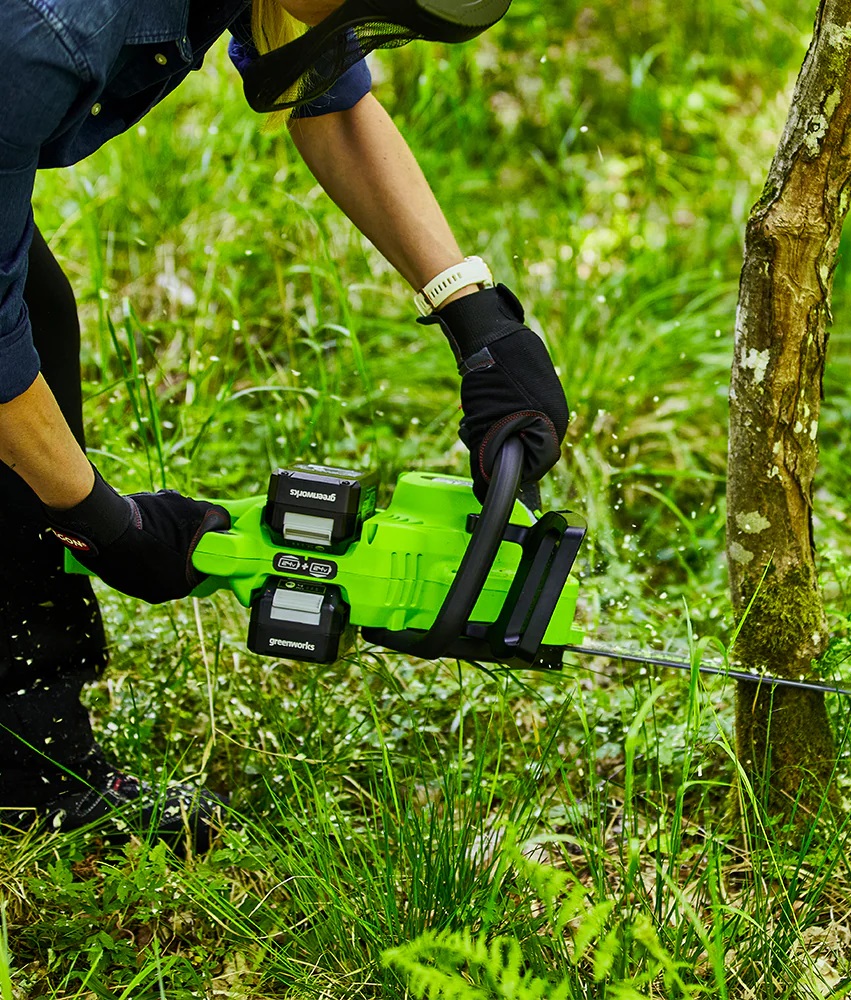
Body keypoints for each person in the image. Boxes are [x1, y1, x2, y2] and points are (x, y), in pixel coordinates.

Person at [0, 0, 568, 853]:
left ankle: (21, 764)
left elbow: (330, 103)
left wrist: (476, 314)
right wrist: (98, 516)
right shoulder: (48, 33)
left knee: (38, 322)